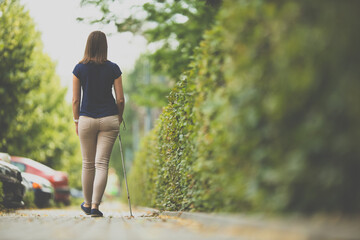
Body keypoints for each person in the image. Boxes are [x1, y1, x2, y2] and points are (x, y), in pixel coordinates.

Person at [72, 31, 125, 217]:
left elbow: (75, 101)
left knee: (87, 164)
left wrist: (76, 120)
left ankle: (86, 204)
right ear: (105, 46)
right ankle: (95, 206)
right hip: (110, 117)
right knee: (102, 164)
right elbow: (120, 100)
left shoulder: (79, 69)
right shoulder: (113, 69)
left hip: (86, 118)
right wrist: (119, 117)